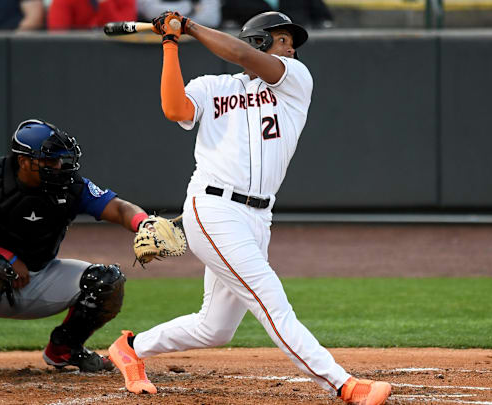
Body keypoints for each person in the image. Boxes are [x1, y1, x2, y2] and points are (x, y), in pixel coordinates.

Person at [106, 11, 392, 405]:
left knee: (215, 329)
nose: (291, 48)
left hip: (258, 217)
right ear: (260, 40)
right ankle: (342, 384)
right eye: (282, 40)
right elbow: (175, 109)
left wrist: (188, 27)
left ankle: (131, 349)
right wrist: (170, 44)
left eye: (292, 42)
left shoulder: (295, 80)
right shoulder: (212, 87)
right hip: (212, 207)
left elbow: (242, 55)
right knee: (270, 299)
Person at [0, 119, 153, 375]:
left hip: (39, 275)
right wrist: (6, 257)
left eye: (61, 160)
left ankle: (64, 348)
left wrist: (144, 223)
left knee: (108, 281)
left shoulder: (70, 186)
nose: (59, 166)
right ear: (24, 161)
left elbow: (118, 208)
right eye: (49, 160)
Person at [47, 0, 136, 30]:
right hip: (76, 58)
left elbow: (124, 32)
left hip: (117, 58)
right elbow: (58, 37)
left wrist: (104, 4)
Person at [137, 0, 220, 28]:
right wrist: (191, 8)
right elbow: (150, 12)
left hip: (196, 44)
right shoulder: (190, 7)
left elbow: (211, 19)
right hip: (155, 44)